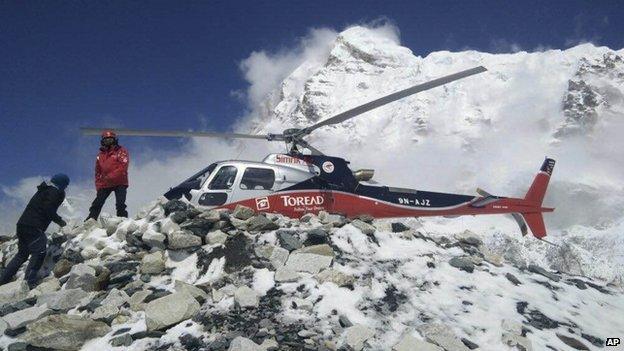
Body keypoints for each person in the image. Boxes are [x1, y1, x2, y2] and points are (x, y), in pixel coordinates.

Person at [0, 174, 69, 288]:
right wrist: (60, 221)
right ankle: (29, 282)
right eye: (66, 185)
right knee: (40, 251)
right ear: (62, 184)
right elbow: (48, 209)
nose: (65, 188)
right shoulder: (54, 192)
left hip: (22, 225)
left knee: (22, 254)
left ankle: (3, 280)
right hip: (34, 226)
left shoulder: (44, 190)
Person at [87, 130, 130, 220]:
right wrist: (99, 186)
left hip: (120, 182)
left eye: (110, 139)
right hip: (105, 184)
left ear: (114, 140)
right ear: (103, 141)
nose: (108, 142)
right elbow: (98, 172)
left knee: (120, 203)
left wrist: (109, 176)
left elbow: (123, 166)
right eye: (106, 140)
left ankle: (122, 220)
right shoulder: (100, 155)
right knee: (97, 203)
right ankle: (90, 219)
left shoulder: (121, 151)